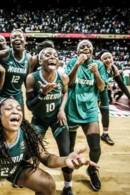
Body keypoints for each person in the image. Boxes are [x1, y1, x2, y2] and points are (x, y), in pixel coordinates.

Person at [26, 47, 74, 195]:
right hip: (39, 119)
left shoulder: (63, 77)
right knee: (30, 152)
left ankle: (68, 186)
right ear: (40, 61)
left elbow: (65, 93)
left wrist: (61, 110)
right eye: (47, 55)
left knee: (66, 152)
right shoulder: (32, 78)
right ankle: (31, 180)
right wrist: (42, 94)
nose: (52, 57)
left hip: (56, 119)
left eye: (55, 55)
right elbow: (30, 105)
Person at [65, 40, 108, 191]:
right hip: (72, 108)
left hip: (90, 110)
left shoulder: (99, 65)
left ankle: (92, 170)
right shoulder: (72, 62)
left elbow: (102, 87)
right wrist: (77, 64)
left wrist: (96, 73)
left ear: (92, 51)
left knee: (95, 146)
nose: (85, 48)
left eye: (88, 46)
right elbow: (68, 83)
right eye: (81, 46)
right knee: (69, 146)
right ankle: (69, 168)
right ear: (77, 51)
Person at [0, 29, 37, 115]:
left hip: (17, 95)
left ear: (25, 41)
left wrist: (30, 98)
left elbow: (26, 81)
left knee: (21, 121)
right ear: (10, 42)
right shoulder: (3, 54)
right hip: (0, 95)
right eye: (13, 37)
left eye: (20, 36)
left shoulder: (29, 58)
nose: (17, 38)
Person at [99, 51, 130, 145]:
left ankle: (105, 134)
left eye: (109, 57)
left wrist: (129, 96)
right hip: (92, 91)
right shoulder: (99, 67)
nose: (108, 60)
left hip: (103, 91)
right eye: (105, 58)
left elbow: (121, 83)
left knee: (105, 112)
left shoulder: (113, 68)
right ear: (101, 60)